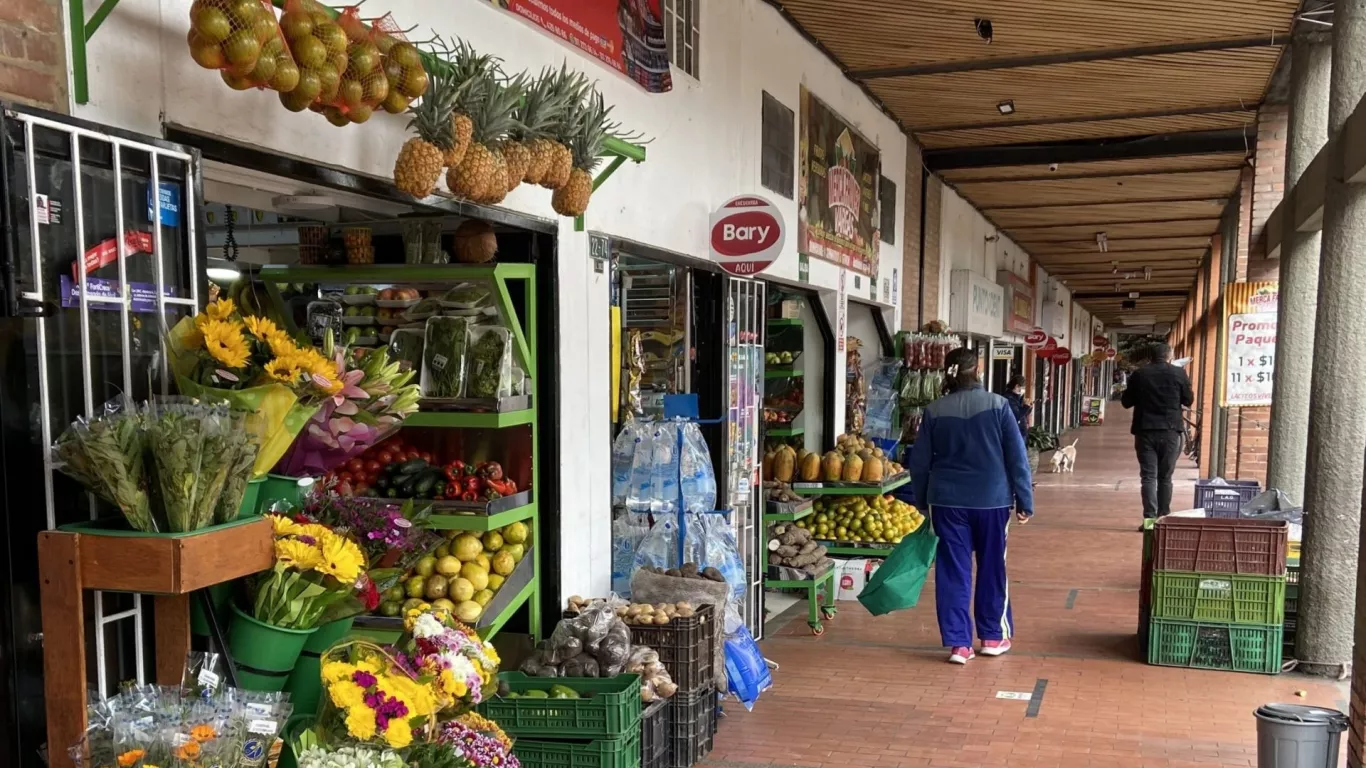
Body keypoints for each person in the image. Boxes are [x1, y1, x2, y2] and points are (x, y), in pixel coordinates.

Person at [903, 347, 1034, 665]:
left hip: (946, 502)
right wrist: (1024, 501)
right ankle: (992, 636)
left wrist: (921, 500)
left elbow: (919, 462)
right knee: (993, 567)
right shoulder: (999, 405)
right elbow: (1017, 457)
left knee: (953, 570)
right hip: (992, 500)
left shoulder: (935, 410)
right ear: (978, 368)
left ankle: (959, 644)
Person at [1120, 343, 1194, 519]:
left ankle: (1149, 520)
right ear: (1170, 356)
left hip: (1145, 431)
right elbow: (1188, 400)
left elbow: (1126, 402)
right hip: (1170, 431)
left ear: (1150, 357)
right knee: (1165, 478)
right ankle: (1164, 517)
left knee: (1148, 477)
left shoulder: (1140, 374)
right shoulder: (1178, 373)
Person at [1003, 375, 1031, 439]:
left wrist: (1028, 407)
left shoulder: (1018, 398)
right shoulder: (1009, 398)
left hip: (1021, 432)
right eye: (1023, 387)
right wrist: (1026, 407)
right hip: (1015, 433)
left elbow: (1023, 415)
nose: (1023, 390)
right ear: (1017, 386)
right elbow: (1017, 415)